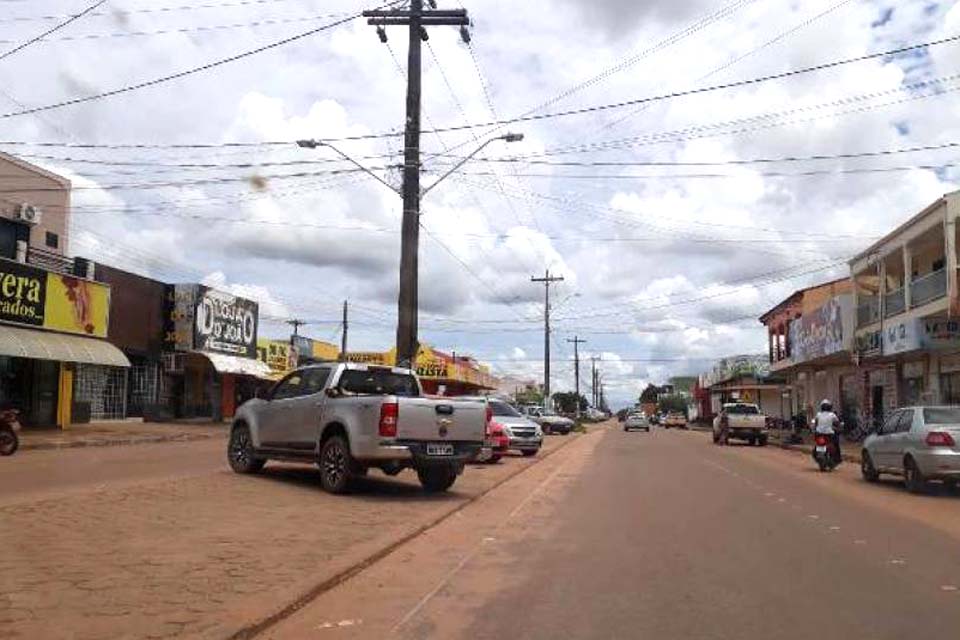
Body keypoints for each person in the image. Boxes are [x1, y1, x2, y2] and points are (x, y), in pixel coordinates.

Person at [812, 399, 842, 464]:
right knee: (836, 444)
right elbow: (837, 423)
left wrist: (814, 429)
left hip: (819, 433)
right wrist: (839, 428)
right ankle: (837, 458)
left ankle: (821, 456)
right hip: (829, 434)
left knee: (817, 444)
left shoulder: (818, 414)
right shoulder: (832, 415)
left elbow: (814, 423)